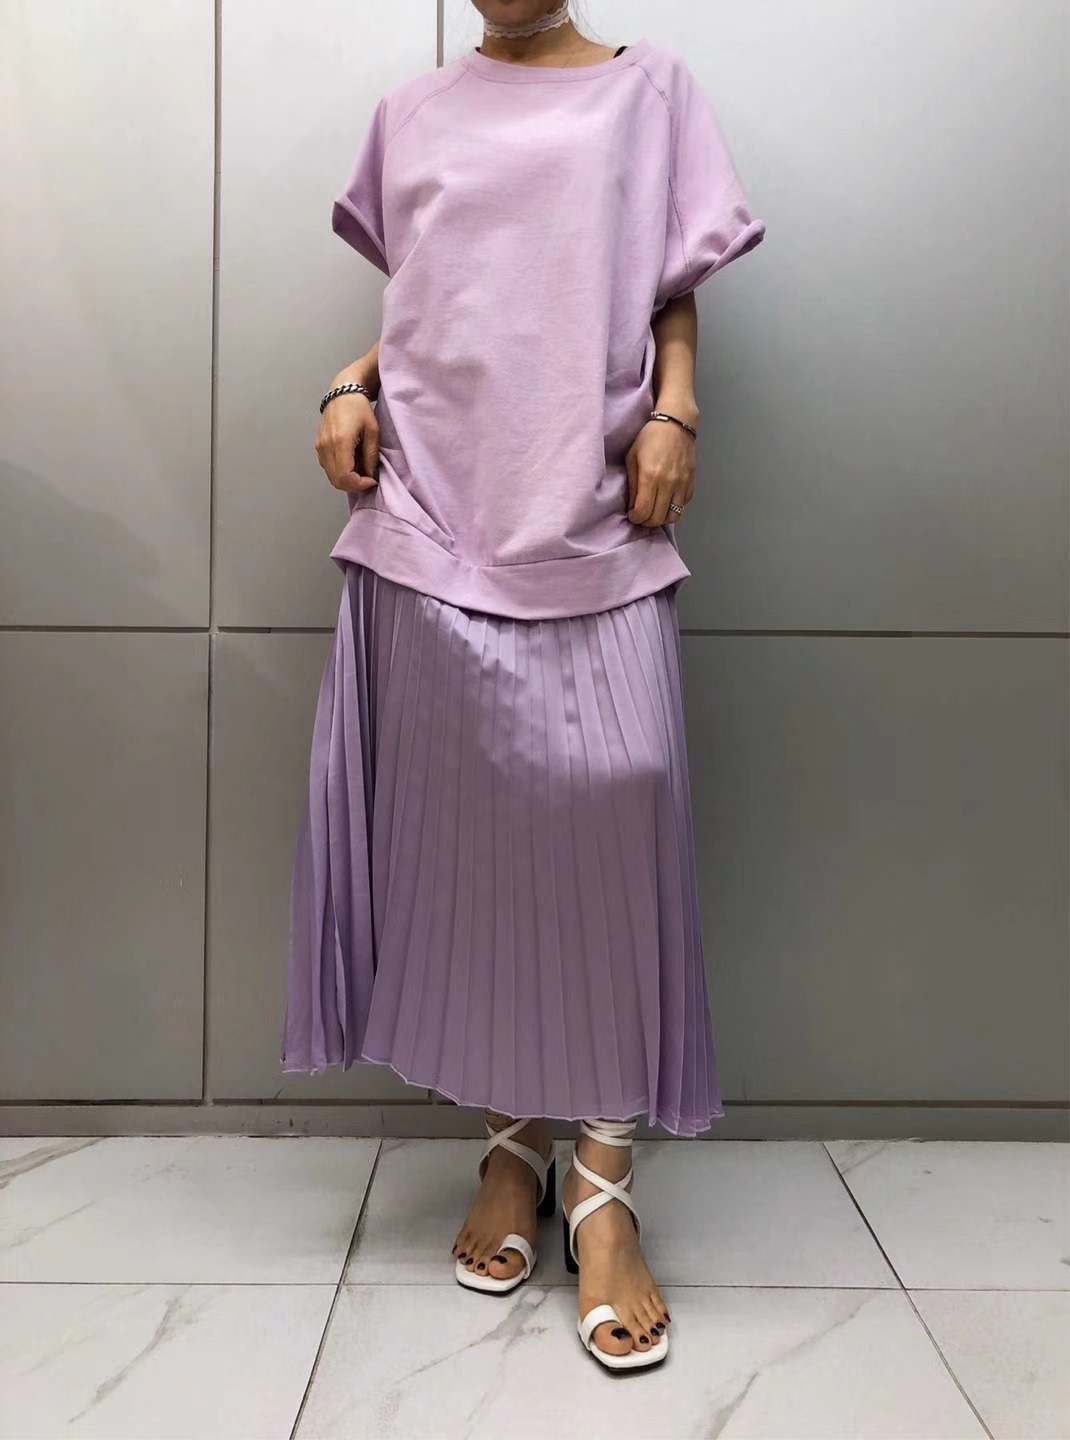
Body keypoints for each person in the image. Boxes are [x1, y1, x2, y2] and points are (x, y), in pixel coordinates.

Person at [282, 0, 765, 1371]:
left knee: (615, 809)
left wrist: (675, 407)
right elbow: (445, 296)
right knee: (469, 845)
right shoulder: (411, 113)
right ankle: (511, 1150)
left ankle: (602, 1184)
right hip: (432, 505)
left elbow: (660, 284)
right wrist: (347, 379)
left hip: (591, 496)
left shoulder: (648, 91)